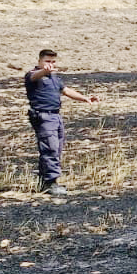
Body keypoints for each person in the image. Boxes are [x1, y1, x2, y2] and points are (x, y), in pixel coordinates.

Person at [23, 49, 99, 196]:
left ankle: (44, 181)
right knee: (50, 149)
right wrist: (44, 71)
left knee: (56, 149)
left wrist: (85, 98)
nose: (50, 64)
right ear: (40, 61)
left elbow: (65, 90)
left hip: (56, 116)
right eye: (47, 61)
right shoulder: (32, 75)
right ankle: (51, 183)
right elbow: (35, 76)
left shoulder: (54, 77)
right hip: (43, 117)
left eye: (52, 62)